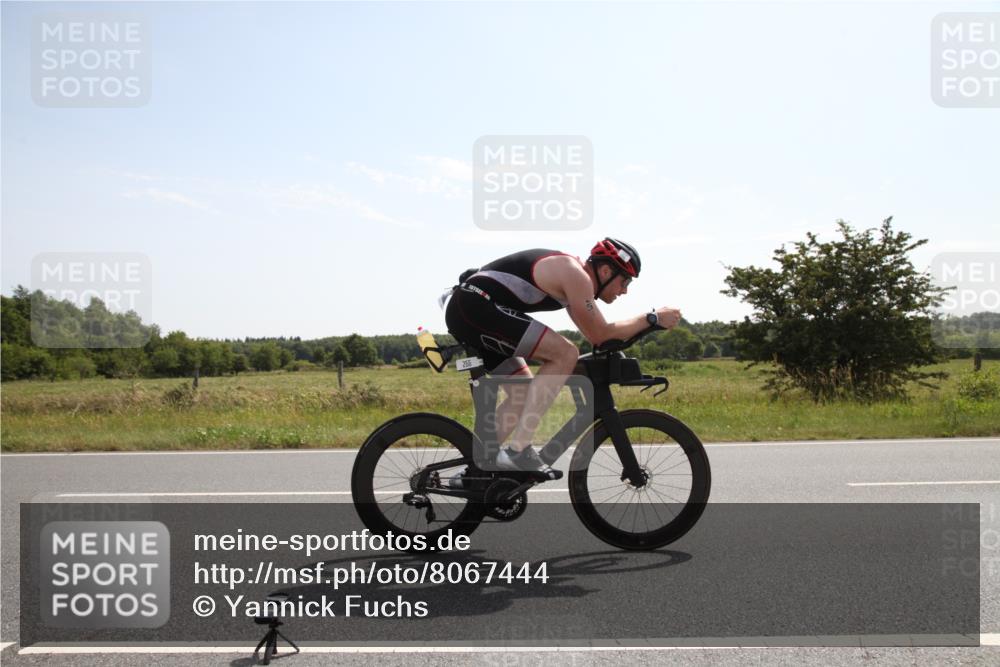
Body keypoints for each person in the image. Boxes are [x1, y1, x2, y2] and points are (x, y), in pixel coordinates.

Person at [444, 238, 682, 480]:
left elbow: (597, 336)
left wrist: (646, 325)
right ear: (606, 270)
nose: (625, 290)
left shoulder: (573, 283)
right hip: (474, 306)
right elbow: (601, 334)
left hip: (473, 308)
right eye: (625, 280)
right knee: (565, 354)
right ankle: (518, 452)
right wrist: (652, 318)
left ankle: (477, 471)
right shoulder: (575, 276)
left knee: (522, 392)